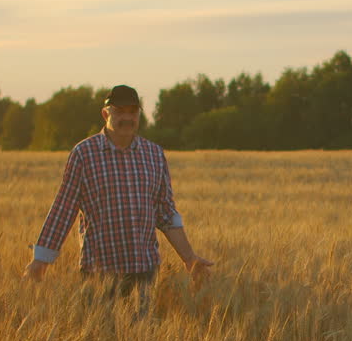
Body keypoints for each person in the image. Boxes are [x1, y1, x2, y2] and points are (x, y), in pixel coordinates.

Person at [23, 84, 213, 315]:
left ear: (139, 115)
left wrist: (189, 258)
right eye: (119, 111)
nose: (126, 117)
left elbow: (165, 213)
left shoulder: (154, 154)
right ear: (106, 114)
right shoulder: (84, 154)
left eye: (132, 112)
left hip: (144, 272)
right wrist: (41, 260)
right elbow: (64, 209)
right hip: (99, 273)